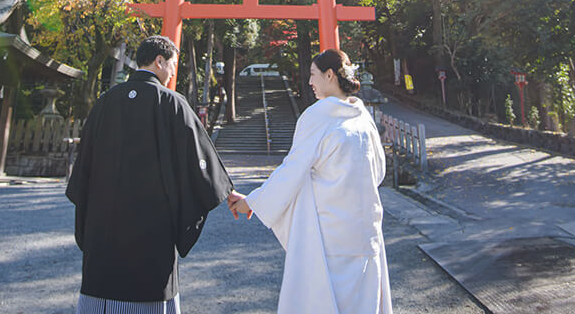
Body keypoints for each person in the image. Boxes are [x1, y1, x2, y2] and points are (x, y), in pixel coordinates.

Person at [67, 35, 234, 313]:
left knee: (101, 291)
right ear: (159, 61)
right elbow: (199, 162)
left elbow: (83, 168)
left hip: (102, 225)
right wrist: (227, 191)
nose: (172, 72)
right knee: (147, 293)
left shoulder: (105, 102)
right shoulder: (172, 104)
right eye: (172, 65)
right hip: (151, 227)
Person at [228, 49, 392, 314]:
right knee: (364, 302)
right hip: (365, 230)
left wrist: (253, 203)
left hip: (330, 233)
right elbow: (379, 172)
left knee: (325, 300)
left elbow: (292, 171)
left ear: (330, 75)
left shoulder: (318, 115)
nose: (309, 82)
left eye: (314, 75)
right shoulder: (363, 117)